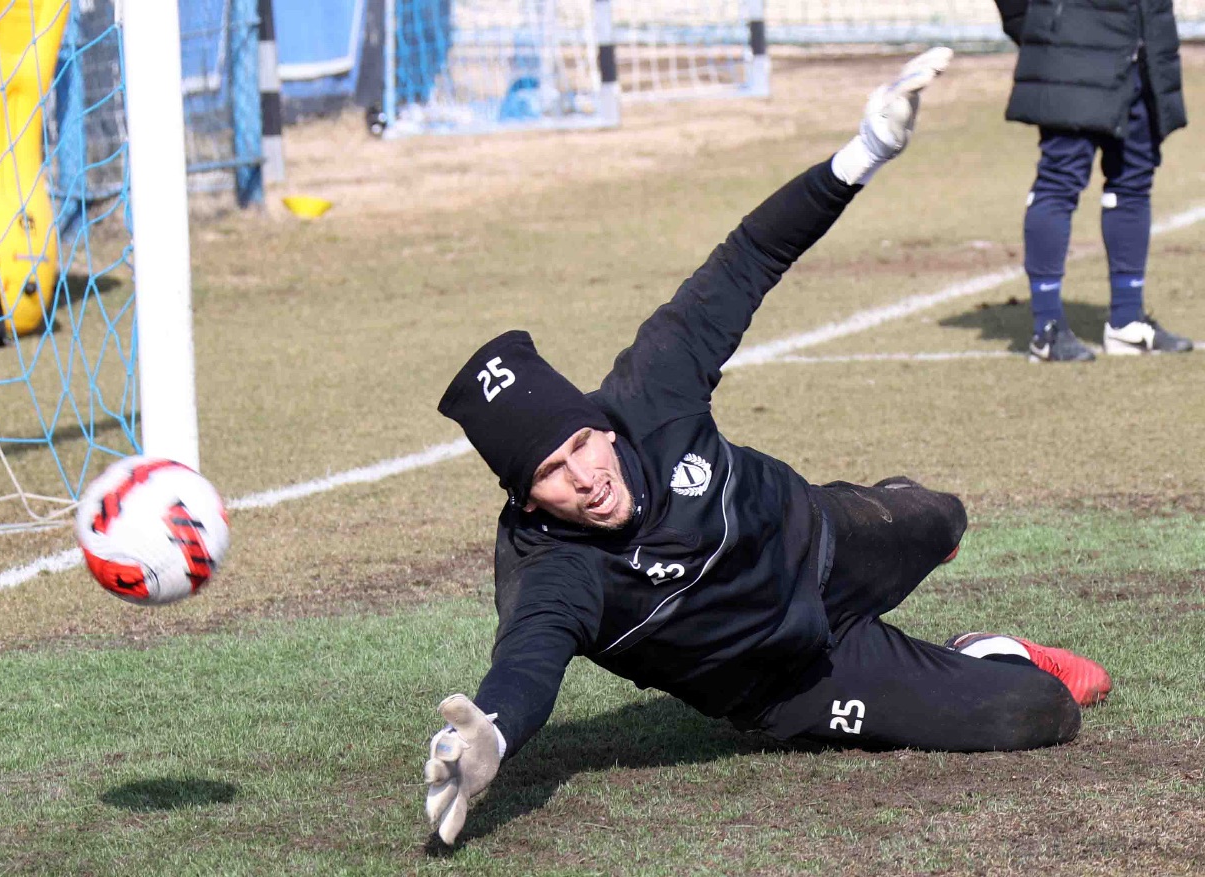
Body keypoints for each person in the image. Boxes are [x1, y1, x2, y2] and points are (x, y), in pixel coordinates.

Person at [423, 48, 1112, 847]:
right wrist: (492, 733)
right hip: (794, 681)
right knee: (1040, 712)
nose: (584, 476)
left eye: (581, 443)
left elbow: (749, 256)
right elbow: (525, 664)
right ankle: (988, 650)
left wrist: (866, 151)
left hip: (824, 538)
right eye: (550, 472)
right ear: (523, 496)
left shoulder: (653, 388)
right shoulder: (551, 571)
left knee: (944, 517)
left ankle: (900, 510)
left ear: (599, 423)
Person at [994, 0, 1193, 362]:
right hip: (1073, 52)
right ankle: (1047, 329)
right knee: (1060, 181)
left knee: (1133, 182)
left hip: (1144, 52)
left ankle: (1127, 322)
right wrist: (1045, 29)